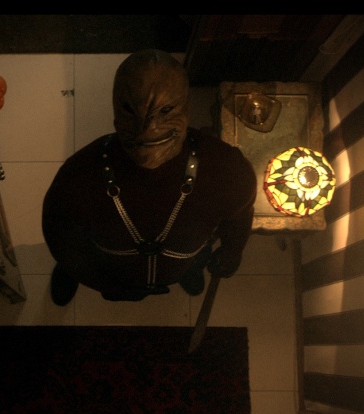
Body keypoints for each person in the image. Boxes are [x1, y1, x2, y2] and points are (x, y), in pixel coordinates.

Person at [42, 49, 257, 305]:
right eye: (129, 110)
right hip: (108, 266)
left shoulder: (227, 169)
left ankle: (189, 267)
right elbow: (61, 238)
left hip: (183, 256)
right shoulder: (77, 177)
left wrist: (232, 252)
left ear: (186, 106)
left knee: (194, 253)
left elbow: (239, 215)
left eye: (166, 110)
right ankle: (70, 275)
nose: (147, 130)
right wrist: (93, 278)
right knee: (74, 251)